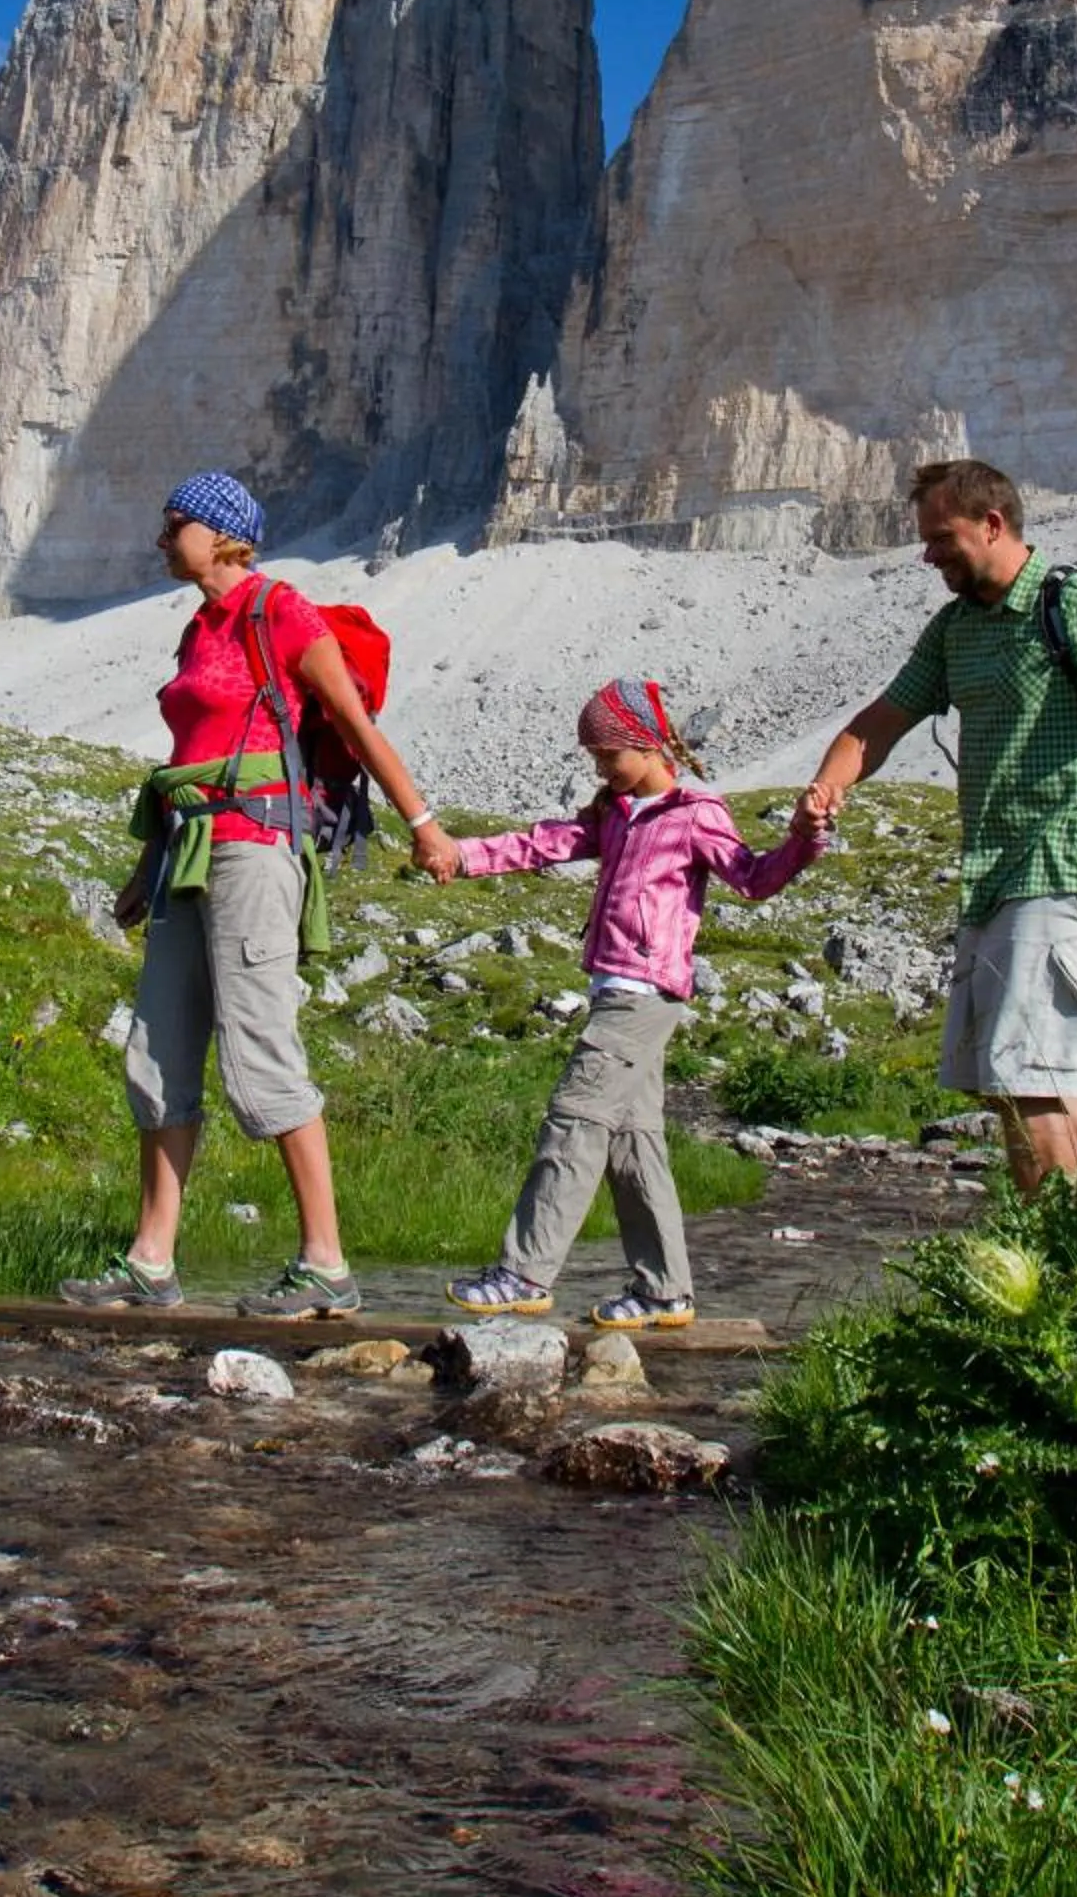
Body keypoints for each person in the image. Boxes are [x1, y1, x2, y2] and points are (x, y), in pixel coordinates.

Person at [61, 470, 456, 1319]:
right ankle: (151, 1262)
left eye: (175, 525)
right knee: (158, 1052)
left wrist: (423, 825)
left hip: (255, 850)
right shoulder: (197, 629)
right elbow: (185, 760)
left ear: (222, 533)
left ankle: (326, 1264)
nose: (162, 538)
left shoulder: (279, 611)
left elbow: (354, 724)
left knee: (261, 1050)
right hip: (186, 856)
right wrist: (142, 871)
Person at [802, 460, 1077, 1198]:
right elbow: (880, 723)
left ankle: (1056, 1271)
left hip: (1064, 863)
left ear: (993, 523)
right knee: (1001, 1076)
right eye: (925, 541)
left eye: (941, 538)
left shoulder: (1076, 606)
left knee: (1025, 1076)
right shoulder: (955, 629)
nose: (929, 555)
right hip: (990, 876)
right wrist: (830, 783)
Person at [433, 678, 828, 1329]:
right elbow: (542, 844)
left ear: (644, 743)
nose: (599, 769)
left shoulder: (695, 814)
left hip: (645, 995)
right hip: (614, 989)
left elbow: (755, 879)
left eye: (606, 755)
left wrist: (806, 840)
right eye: (592, 758)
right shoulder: (613, 813)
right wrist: (462, 855)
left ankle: (523, 1273)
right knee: (631, 1146)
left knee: (574, 1116)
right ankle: (663, 1291)